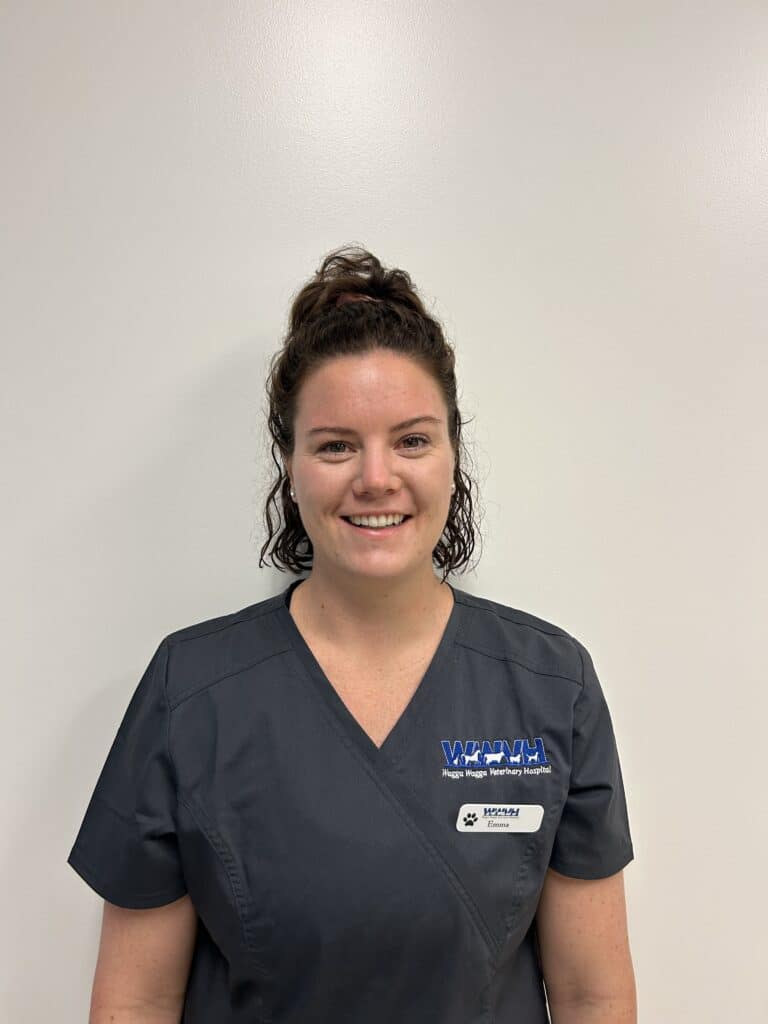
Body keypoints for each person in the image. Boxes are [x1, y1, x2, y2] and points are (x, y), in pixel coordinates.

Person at [67, 244, 637, 1022]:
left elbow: (591, 994)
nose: (376, 477)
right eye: (336, 445)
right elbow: (135, 1000)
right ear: (290, 464)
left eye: (411, 439)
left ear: (452, 455)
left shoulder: (550, 684)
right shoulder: (191, 691)